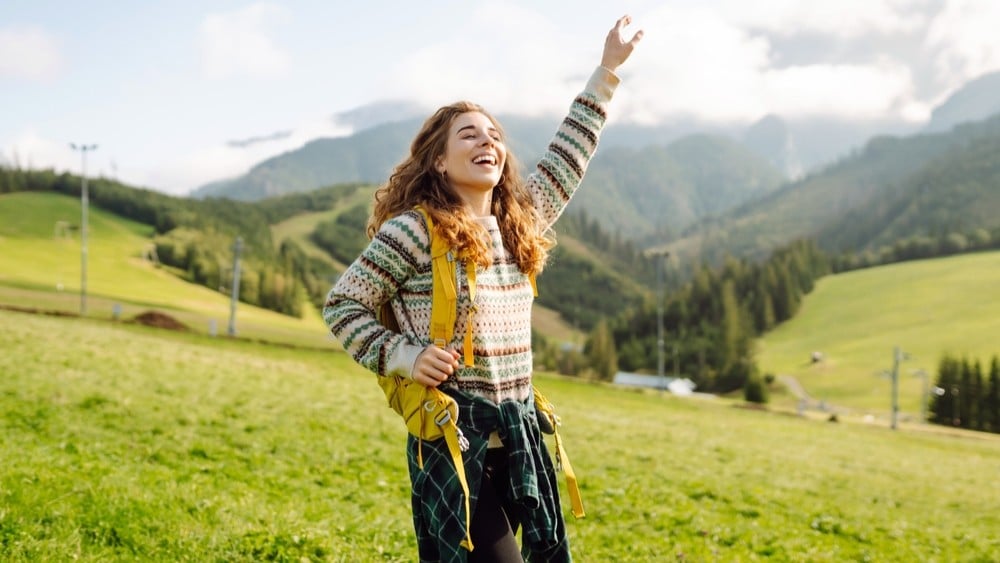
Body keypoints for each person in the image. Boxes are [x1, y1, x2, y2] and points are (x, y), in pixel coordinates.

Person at [324, 15, 642, 562]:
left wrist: (607, 70)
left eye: (494, 135)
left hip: (518, 437)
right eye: (468, 134)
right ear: (440, 161)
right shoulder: (414, 231)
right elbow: (343, 305)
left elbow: (570, 153)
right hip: (453, 438)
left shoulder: (521, 220)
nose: (487, 142)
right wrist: (404, 354)